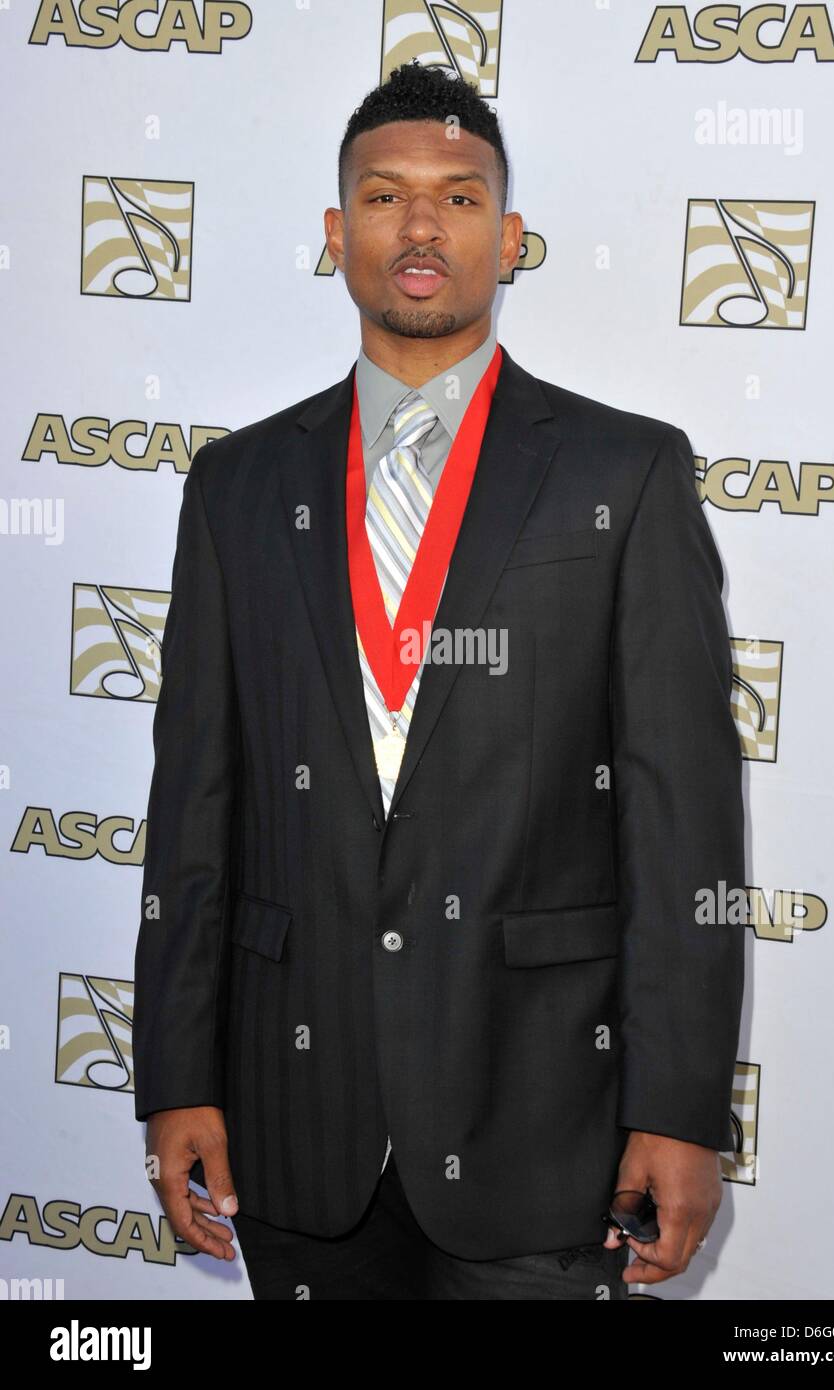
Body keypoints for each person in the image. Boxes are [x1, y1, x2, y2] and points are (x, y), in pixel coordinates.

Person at [133, 60, 746, 1301]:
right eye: (383, 195)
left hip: (540, 1120)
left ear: (509, 238)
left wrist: (678, 1110)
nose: (420, 227)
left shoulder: (624, 474)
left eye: (459, 198)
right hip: (294, 1122)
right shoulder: (238, 487)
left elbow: (681, 817)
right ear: (335, 233)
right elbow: (193, 805)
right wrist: (176, 1074)